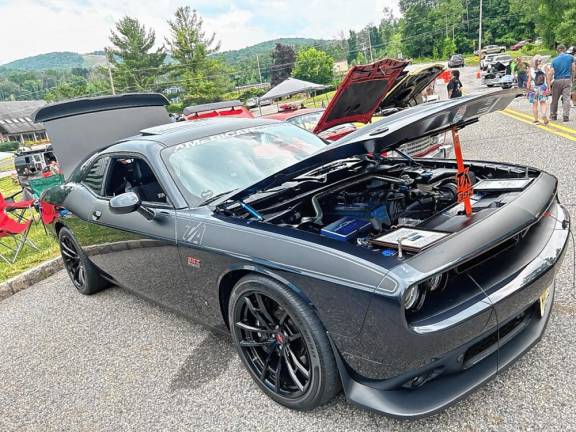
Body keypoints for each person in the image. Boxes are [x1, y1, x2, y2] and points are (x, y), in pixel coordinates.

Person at [549, 44, 576, 122]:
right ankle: (565, 116)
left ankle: (553, 115)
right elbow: (574, 68)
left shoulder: (554, 60)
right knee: (566, 98)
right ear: (564, 50)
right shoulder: (570, 57)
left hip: (557, 80)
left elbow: (551, 72)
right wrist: (573, 77)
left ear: (557, 51)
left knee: (555, 99)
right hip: (567, 80)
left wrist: (549, 84)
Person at [527, 55, 550, 124]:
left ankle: (536, 119)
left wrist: (528, 89)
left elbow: (529, 80)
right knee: (543, 102)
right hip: (542, 87)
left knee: (535, 104)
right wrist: (549, 87)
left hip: (533, 88)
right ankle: (543, 114)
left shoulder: (531, 69)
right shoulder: (544, 67)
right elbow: (548, 78)